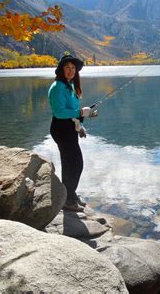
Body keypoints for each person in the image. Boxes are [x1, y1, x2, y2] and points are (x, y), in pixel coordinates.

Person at [48, 54, 96, 212]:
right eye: (67, 67)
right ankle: (68, 199)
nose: (70, 71)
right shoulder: (57, 88)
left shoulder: (70, 86)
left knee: (70, 164)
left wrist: (81, 122)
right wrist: (81, 112)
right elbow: (59, 112)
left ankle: (69, 195)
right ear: (61, 70)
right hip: (61, 129)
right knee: (75, 164)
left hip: (70, 128)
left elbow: (73, 112)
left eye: (73, 68)